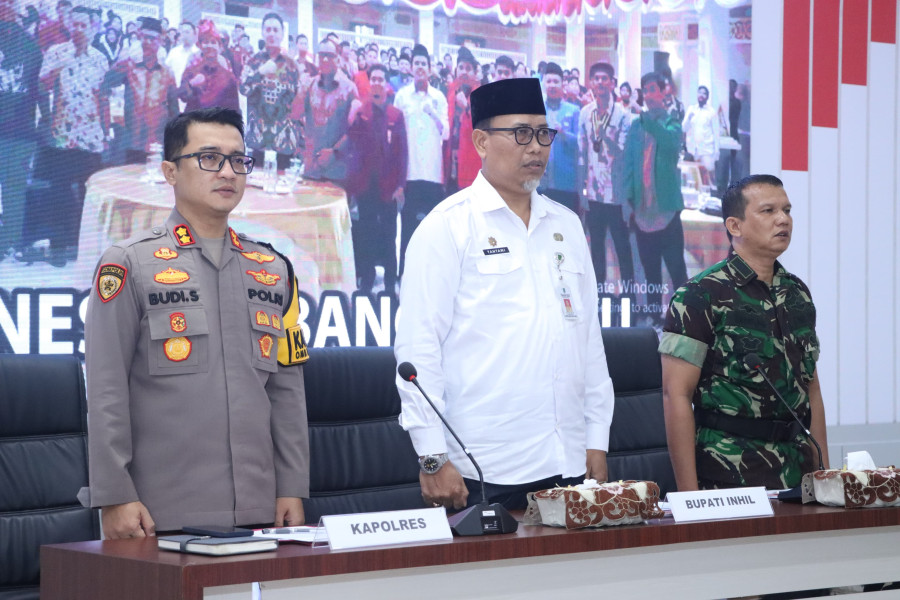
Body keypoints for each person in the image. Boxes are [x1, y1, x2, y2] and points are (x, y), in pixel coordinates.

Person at [80, 107, 310, 537]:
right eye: (209, 158)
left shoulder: (273, 268)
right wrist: (114, 495)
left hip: (261, 509)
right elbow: (106, 388)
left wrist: (292, 486)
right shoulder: (129, 263)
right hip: (160, 512)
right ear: (170, 171)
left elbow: (287, 391)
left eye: (238, 160)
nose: (228, 172)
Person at [395, 78, 615, 511]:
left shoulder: (567, 225)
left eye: (543, 134)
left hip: (568, 459)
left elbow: (588, 338)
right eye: (521, 134)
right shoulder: (447, 226)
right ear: (481, 141)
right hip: (483, 467)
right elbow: (419, 349)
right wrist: (432, 455)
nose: (536, 148)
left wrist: (597, 437)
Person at [659, 174, 829, 491]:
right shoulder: (699, 296)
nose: (783, 220)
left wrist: (824, 478)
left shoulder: (797, 294)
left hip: (798, 472)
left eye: (787, 210)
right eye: (768, 211)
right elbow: (676, 395)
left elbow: (811, 390)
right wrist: (690, 497)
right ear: (735, 226)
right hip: (729, 476)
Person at [21, 6, 108, 266]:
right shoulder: (56, 52)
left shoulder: (100, 59)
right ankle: (58, 246)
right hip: (61, 135)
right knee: (59, 192)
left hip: (90, 136)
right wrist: (55, 69)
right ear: (69, 26)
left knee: (88, 194)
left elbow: (102, 97)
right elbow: (41, 86)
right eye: (75, 24)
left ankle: (82, 247)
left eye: (84, 25)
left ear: (93, 28)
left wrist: (105, 132)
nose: (79, 29)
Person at [622, 71, 688, 325]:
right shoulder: (635, 126)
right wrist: (627, 200)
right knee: (651, 272)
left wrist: (647, 120)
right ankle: (654, 316)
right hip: (642, 212)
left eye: (653, 89)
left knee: (677, 269)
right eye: (645, 90)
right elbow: (629, 164)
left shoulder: (672, 122)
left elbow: (670, 145)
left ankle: (685, 318)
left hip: (666, 210)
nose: (649, 95)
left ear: (663, 91)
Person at [346, 63, 407, 295]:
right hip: (365, 187)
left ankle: (390, 284)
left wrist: (400, 185)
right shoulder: (362, 112)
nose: (377, 83)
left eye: (381, 79)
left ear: (387, 85)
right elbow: (353, 148)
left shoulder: (395, 115)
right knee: (366, 235)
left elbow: (403, 153)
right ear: (369, 83)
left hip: (388, 188)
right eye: (374, 79)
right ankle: (367, 281)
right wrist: (353, 186)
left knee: (389, 236)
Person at [577, 62, 634, 297]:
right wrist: (581, 191)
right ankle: (598, 297)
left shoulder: (623, 115)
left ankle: (629, 299)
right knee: (597, 249)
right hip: (594, 193)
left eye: (604, 78)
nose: (600, 82)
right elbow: (582, 154)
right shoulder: (585, 113)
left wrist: (604, 136)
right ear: (591, 83)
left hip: (616, 194)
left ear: (612, 83)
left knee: (623, 249)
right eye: (596, 78)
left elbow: (623, 153)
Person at [393, 44, 448, 277]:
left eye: (424, 64)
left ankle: (430, 279)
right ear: (411, 68)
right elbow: (394, 135)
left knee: (431, 232)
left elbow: (446, 133)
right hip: (409, 174)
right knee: (408, 229)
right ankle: (405, 277)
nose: (420, 67)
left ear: (430, 68)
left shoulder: (439, 97)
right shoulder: (401, 96)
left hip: (433, 174)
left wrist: (433, 113)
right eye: (416, 63)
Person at [102, 17, 178, 164]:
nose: (147, 42)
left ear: (160, 41)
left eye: (152, 38)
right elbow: (106, 83)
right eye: (144, 37)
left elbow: (173, 111)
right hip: (130, 140)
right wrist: (120, 60)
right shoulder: (128, 66)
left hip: (156, 143)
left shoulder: (167, 73)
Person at [0, 0, 42, 259]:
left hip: (19, 131)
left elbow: (36, 90)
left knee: (14, 188)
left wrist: (37, 128)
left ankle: (10, 241)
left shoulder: (30, 45)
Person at [239, 12, 302, 171]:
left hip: (284, 141)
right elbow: (243, 88)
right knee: (254, 183)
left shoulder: (292, 66)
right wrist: (260, 72)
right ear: (262, 32)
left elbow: (299, 102)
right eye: (268, 30)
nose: (272, 34)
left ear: (282, 33)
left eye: (275, 30)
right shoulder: (253, 61)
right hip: (258, 139)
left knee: (283, 183)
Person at [303, 39, 357, 182]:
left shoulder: (350, 88)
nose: (325, 59)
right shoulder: (309, 85)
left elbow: (356, 129)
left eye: (329, 55)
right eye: (322, 55)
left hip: (337, 170)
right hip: (311, 168)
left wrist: (335, 152)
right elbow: (297, 117)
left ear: (337, 59)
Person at [539, 62, 580, 213]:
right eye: (549, 81)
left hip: (566, 181)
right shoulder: (535, 110)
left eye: (556, 81)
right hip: (540, 181)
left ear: (563, 85)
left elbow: (580, 144)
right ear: (544, 84)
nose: (552, 85)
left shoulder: (574, 110)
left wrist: (563, 134)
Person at [178, 19, 239, 113]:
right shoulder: (192, 70)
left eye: (213, 42)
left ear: (219, 47)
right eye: (206, 42)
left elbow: (235, 109)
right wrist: (191, 83)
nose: (209, 46)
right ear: (200, 45)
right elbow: (182, 96)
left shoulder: (228, 77)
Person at [443, 46, 479, 194]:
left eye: (468, 68)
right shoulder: (451, 92)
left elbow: (481, 129)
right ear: (456, 70)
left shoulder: (481, 95)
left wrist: (466, 107)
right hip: (451, 160)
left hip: (470, 162)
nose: (464, 71)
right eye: (461, 67)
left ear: (475, 73)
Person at [682, 85, 719, 176]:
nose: (701, 95)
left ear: (707, 97)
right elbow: (684, 128)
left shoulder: (712, 112)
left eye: (704, 93)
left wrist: (716, 153)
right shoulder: (691, 109)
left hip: (706, 151)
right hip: (692, 151)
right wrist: (689, 118)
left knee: (708, 178)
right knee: (693, 178)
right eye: (699, 92)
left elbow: (716, 133)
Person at [164, 20, 198, 88]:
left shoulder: (198, 53)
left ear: (194, 34)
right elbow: (166, 69)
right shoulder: (174, 52)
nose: (184, 35)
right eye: (182, 32)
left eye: (187, 32)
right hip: (173, 90)